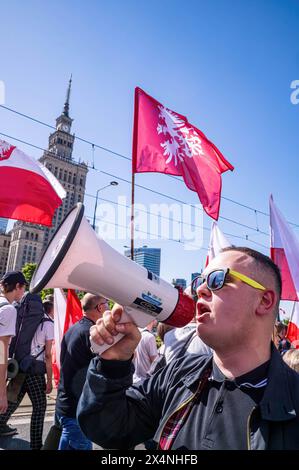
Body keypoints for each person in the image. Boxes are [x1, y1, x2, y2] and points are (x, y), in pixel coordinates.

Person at [77, 247, 299, 450]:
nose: (200, 289)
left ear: (265, 301)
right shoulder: (178, 374)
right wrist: (112, 365)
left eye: (217, 279)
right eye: (199, 282)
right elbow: (109, 430)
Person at [0, 292, 54, 449]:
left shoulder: (27, 319)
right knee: (40, 407)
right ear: (51, 309)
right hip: (35, 370)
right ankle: (37, 445)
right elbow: (49, 355)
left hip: (21, 363)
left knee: (14, 398)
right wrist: (49, 380)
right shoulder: (48, 324)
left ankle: (1, 423)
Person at [56, 293, 109, 450]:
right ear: (100, 307)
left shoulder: (73, 329)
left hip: (65, 402)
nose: (109, 308)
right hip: (78, 408)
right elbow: (102, 369)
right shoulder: (91, 333)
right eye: (107, 304)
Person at [0, 271, 26, 436]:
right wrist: (2, 393)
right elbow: (2, 352)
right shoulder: (9, 310)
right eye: (24, 288)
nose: (24, 293)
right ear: (18, 286)